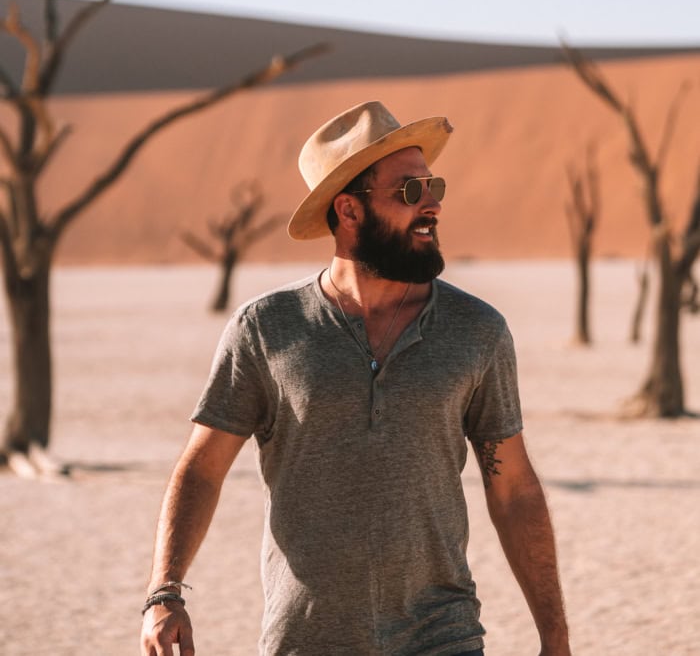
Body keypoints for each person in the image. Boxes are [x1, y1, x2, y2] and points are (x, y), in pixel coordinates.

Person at [140, 100, 571, 656]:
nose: (433, 204)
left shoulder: (477, 330)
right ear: (348, 211)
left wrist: (555, 637)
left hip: (442, 635)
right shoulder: (267, 328)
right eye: (410, 192)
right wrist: (164, 591)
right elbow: (202, 467)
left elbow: (512, 488)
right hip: (304, 639)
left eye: (434, 186)